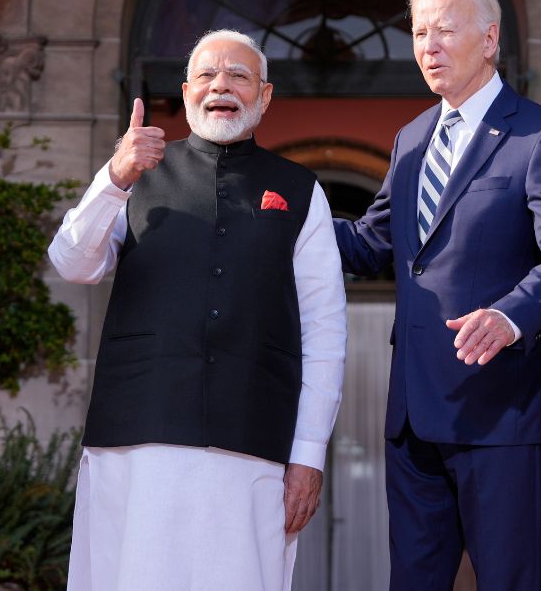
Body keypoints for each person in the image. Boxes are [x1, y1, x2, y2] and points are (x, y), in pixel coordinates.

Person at [48, 29, 346, 590]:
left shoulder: (300, 190)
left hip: (254, 441)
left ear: (265, 96)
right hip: (138, 438)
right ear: (186, 93)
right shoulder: (134, 173)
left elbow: (325, 330)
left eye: (239, 76)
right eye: (208, 75)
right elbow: (72, 262)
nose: (221, 85)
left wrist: (308, 455)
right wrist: (115, 177)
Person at [332, 0, 541, 590]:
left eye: (445, 30)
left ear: (489, 38)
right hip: (414, 411)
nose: (429, 46)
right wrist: (289, 213)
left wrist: (509, 316)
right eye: (420, 32)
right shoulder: (411, 139)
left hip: (503, 405)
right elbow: (373, 245)